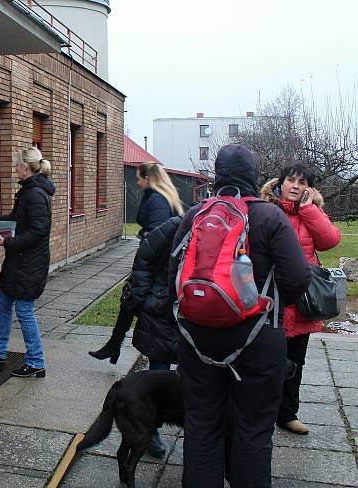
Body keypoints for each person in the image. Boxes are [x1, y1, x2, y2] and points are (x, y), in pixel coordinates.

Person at [169, 144, 310, 488]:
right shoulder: (271, 216)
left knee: (201, 426)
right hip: (257, 341)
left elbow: (172, 275)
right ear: (255, 175)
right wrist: (266, 305)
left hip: (198, 340)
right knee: (252, 430)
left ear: (217, 175)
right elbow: (297, 279)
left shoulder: (196, 214)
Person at [262, 164, 342, 435]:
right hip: (271, 296)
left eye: (302, 181)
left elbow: (330, 240)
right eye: (291, 180)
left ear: (309, 187)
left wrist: (308, 210)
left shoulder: (312, 211)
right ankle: (261, 412)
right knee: (267, 360)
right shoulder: (267, 209)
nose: (295, 186)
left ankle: (287, 413)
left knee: (296, 360)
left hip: (302, 299)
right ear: (280, 183)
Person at [0, 146, 55, 378]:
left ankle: (36, 361)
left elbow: (39, 231)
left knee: (25, 310)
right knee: (4, 301)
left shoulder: (35, 194)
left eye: (17, 164)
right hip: (20, 262)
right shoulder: (29, 191)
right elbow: (15, 219)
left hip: (29, 263)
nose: (14, 168)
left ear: (25, 167)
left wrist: (8, 243)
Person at [90, 162, 184, 364]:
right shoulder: (159, 196)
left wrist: (146, 237)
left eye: (139, 179)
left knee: (135, 303)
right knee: (130, 301)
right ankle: (114, 346)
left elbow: (160, 234)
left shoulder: (158, 200)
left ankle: (116, 347)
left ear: (149, 179)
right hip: (157, 266)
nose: (138, 183)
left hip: (156, 267)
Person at [128, 214, 182, 458]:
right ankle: (151, 428)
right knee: (158, 373)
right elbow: (145, 257)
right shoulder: (176, 225)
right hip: (161, 309)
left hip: (192, 313)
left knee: (190, 376)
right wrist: (141, 299)